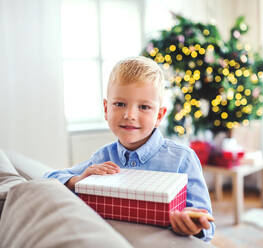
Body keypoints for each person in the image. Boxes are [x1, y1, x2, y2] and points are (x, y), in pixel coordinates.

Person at [44, 56, 215, 242]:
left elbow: (207, 226)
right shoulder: (102, 158)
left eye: (144, 107)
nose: (130, 115)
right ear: (106, 108)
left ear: (159, 115)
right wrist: (77, 180)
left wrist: (193, 224)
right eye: (119, 104)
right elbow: (48, 179)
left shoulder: (183, 159)